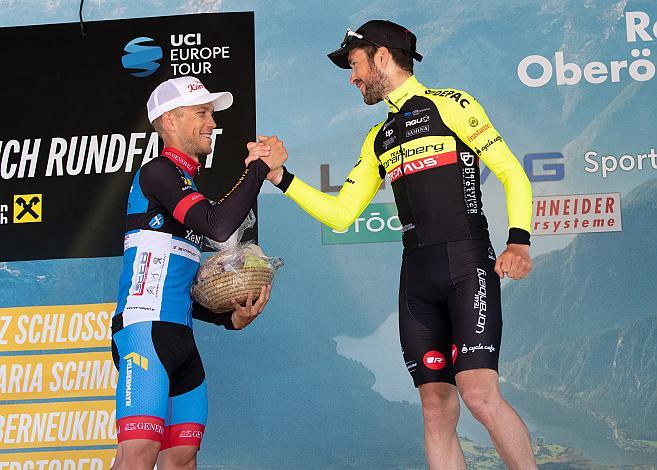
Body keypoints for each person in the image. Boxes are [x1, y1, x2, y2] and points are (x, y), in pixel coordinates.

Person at [263, 20, 536, 469]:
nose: (351, 77)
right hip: (417, 279)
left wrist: (519, 242)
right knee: (435, 409)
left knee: (479, 396)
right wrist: (282, 178)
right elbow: (342, 213)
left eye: (354, 65)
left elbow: (510, 172)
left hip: (466, 263)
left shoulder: (452, 105)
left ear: (383, 57)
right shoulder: (378, 137)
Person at [111, 76, 286, 470]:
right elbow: (219, 226)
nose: (212, 123)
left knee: (181, 458)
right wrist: (258, 170)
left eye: (212, 114)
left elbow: (179, 284)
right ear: (170, 120)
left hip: (180, 337)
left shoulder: (188, 183)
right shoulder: (157, 172)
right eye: (202, 113)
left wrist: (230, 318)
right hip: (145, 332)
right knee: (137, 456)